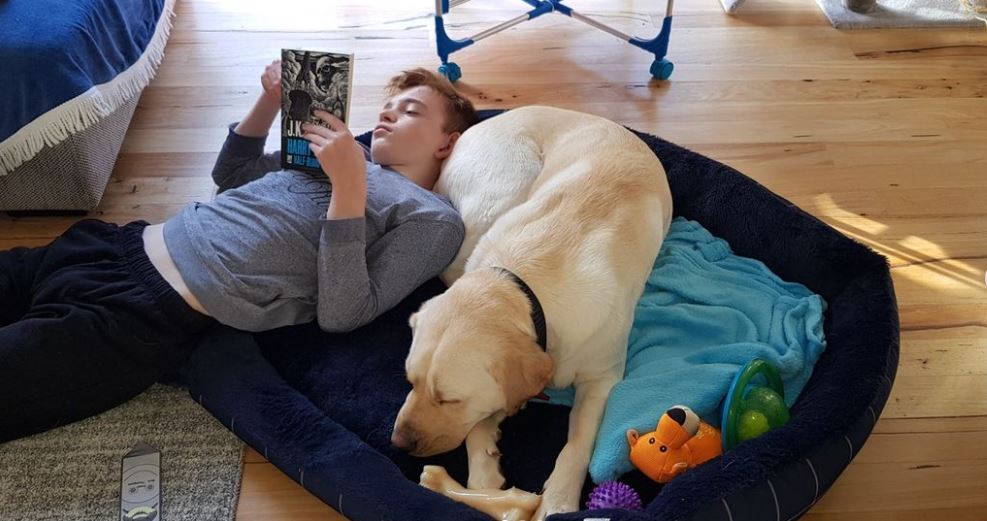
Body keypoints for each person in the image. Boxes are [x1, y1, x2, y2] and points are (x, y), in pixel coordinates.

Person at [0, 61, 478, 443]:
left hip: (139, 314)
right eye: (387, 106)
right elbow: (231, 174)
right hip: (108, 243)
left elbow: (345, 312)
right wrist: (270, 102)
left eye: (411, 110)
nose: (387, 114)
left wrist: (348, 185)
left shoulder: (430, 218)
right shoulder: (339, 153)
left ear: (448, 142)